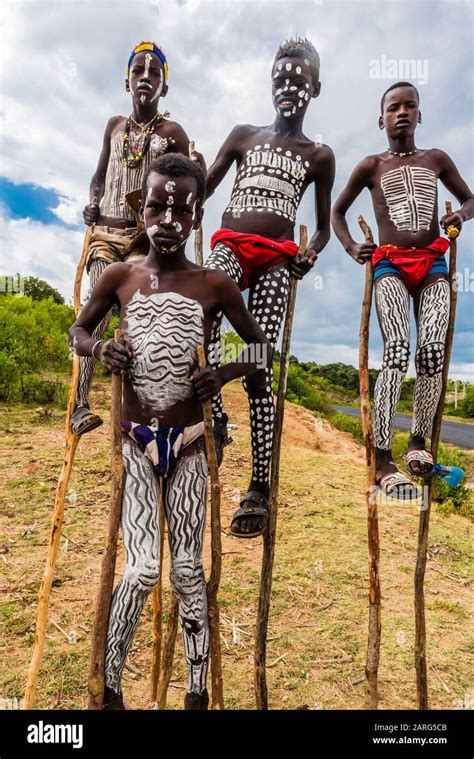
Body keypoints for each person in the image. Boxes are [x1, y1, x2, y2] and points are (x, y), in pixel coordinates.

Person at [68, 154, 271, 709]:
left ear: (197, 215)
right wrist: (101, 348)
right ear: (142, 205)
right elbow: (78, 329)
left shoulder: (214, 284)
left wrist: (221, 373)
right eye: (157, 204)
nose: (167, 218)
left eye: (181, 208)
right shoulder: (122, 275)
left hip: (187, 446)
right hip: (135, 441)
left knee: (186, 570)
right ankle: (109, 687)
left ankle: (196, 694)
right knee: (139, 570)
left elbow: (259, 348)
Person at [204, 37, 335, 536]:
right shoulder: (243, 135)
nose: (288, 87)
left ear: (315, 89)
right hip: (231, 244)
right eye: (281, 78)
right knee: (204, 306)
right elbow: (209, 182)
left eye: (299, 80)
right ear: (270, 82)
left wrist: (310, 253)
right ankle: (216, 414)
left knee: (261, 362)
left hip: (278, 260)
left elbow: (322, 226)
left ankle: (258, 485)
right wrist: (188, 181)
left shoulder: (318, 155)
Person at [331, 81, 473, 499]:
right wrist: (352, 246)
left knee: (431, 351)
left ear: (420, 115)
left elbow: (470, 200)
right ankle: (381, 458)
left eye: (410, 106)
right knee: (396, 349)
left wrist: (459, 218)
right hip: (390, 263)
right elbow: (336, 211)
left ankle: (419, 444)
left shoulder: (437, 159)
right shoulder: (370, 165)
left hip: (433, 263)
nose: (402, 112)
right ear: (381, 119)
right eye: (394, 107)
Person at [71, 40, 204, 436]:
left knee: (145, 320)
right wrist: (92, 204)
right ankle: (80, 404)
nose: (145, 77)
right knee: (95, 310)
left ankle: (150, 409)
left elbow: (191, 183)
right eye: (138, 71)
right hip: (105, 236)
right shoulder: (114, 126)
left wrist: (194, 199)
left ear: (165, 86)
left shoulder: (172, 132)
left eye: (155, 73)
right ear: (126, 80)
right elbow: (99, 175)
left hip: (145, 240)